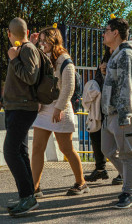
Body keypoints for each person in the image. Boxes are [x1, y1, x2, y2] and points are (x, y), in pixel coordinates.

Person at [31, 26, 89, 196]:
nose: (42, 43)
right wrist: (33, 44)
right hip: (45, 108)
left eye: (44, 40)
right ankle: (34, 188)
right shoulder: (43, 56)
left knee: (66, 148)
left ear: (54, 40)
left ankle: (81, 183)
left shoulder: (65, 59)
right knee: (37, 148)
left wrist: (59, 108)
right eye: (40, 40)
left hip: (60, 108)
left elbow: (69, 87)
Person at [101, 17, 132, 208]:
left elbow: (127, 86)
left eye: (106, 30)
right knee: (108, 149)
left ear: (115, 33)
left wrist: (125, 115)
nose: (104, 33)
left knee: (128, 153)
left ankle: (129, 194)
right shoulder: (117, 54)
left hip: (127, 112)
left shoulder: (127, 54)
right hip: (111, 112)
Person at [2, 18, 40, 217]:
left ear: (10, 33)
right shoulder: (26, 48)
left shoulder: (23, 50)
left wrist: (13, 59)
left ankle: (28, 197)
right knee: (20, 150)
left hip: (22, 108)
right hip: (17, 107)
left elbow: (31, 76)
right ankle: (28, 197)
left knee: (9, 151)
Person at [84, 46, 123, 185]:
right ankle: (100, 169)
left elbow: (120, 83)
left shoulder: (122, 55)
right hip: (101, 104)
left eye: (106, 32)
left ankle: (123, 173)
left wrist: (106, 74)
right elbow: (99, 80)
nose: (104, 36)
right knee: (95, 134)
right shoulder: (106, 56)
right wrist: (102, 72)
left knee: (118, 140)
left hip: (115, 106)